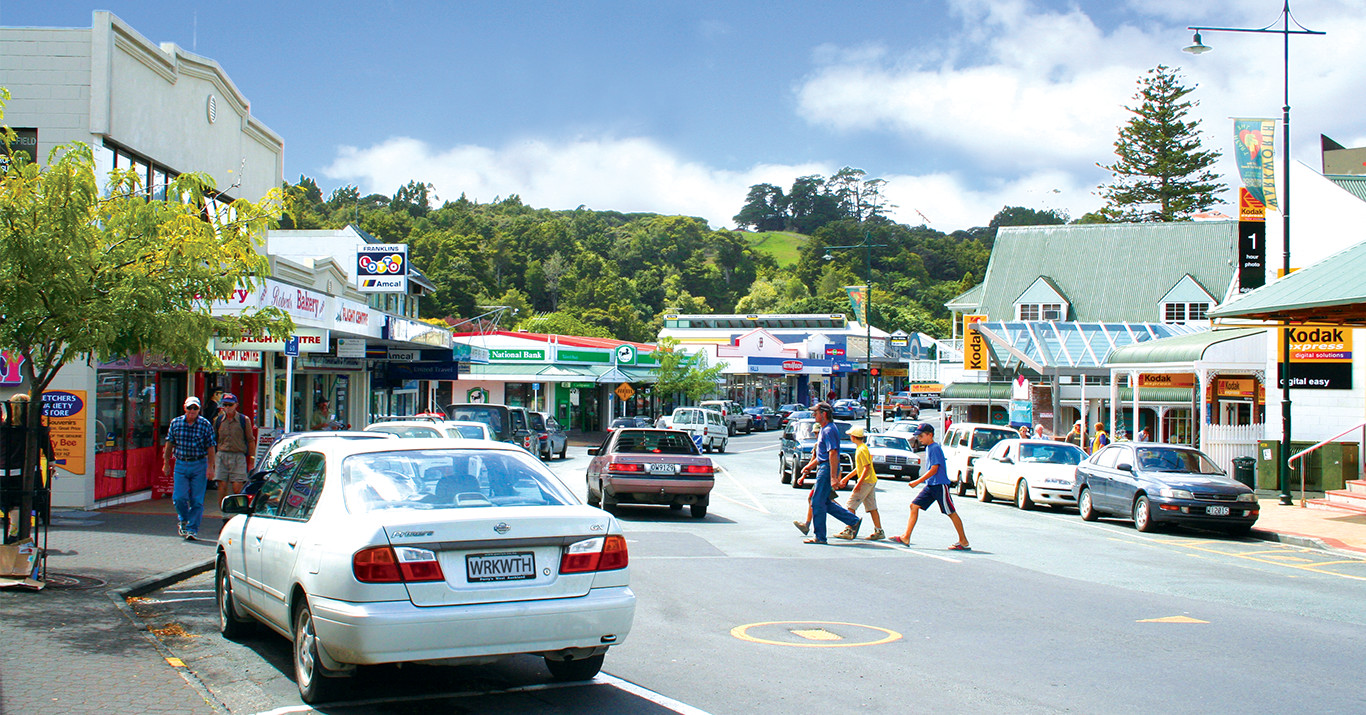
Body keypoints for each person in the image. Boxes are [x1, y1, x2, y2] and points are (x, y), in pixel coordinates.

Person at [891, 424, 970, 551]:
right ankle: (906, 536)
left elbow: (934, 469)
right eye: (918, 436)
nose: (920, 439)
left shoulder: (934, 448)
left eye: (922, 436)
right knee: (914, 506)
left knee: (950, 512)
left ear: (930, 435)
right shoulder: (929, 448)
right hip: (931, 485)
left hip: (939, 485)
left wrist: (917, 481)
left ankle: (963, 541)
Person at [797, 402, 861, 544]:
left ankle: (820, 537)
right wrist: (809, 467)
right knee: (824, 501)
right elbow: (823, 455)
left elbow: (833, 454)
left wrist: (833, 477)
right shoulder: (826, 429)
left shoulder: (828, 430)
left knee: (817, 502)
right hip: (824, 467)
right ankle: (853, 521)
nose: (814, 415)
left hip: (826, 470)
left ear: (824, 414)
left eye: (816, 412)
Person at [163, 396, 216, 541]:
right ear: (184, 408)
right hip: (181, 463)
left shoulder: (205, 424)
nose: (192, 411)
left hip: (199, 464)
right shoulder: (176, 423)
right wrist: (166, 463)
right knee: (179, 497)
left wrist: (210, 467)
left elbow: (211, 447)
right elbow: (169, 444)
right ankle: (184, 520)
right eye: (189, 408)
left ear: (199, 410)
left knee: (197, 500)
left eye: (195, 408)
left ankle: (192, 529)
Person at [835, 427, 884, 540]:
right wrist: (847, 478)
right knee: (872, 507)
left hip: (866, 481)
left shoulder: (861, 450)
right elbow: (859, 468)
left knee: (850, 505)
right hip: (870, 480)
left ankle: (850, 529)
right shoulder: (862, 448)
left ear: (853, 437)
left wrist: (859, 483)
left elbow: (866, 468)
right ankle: (879, 530)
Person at [213, 393, 255, 509]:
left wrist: (252, 460)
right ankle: (223, 511)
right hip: (222, 455)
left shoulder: (243, 420)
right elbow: (213, 440)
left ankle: (238, 510)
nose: (227, 408)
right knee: (221, 485)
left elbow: (250, 440)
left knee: (237, 486)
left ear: (236, 405)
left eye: (230, 405)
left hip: (238, 455)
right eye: (225, 405)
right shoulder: (219, 420)